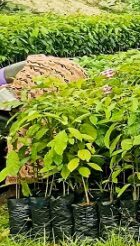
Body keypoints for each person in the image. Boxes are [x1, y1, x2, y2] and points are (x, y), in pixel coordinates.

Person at [2, 55, 88, 184]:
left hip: (38, 76)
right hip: (61, 71)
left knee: (29, 129)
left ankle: (33, 175)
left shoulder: (19, 78)